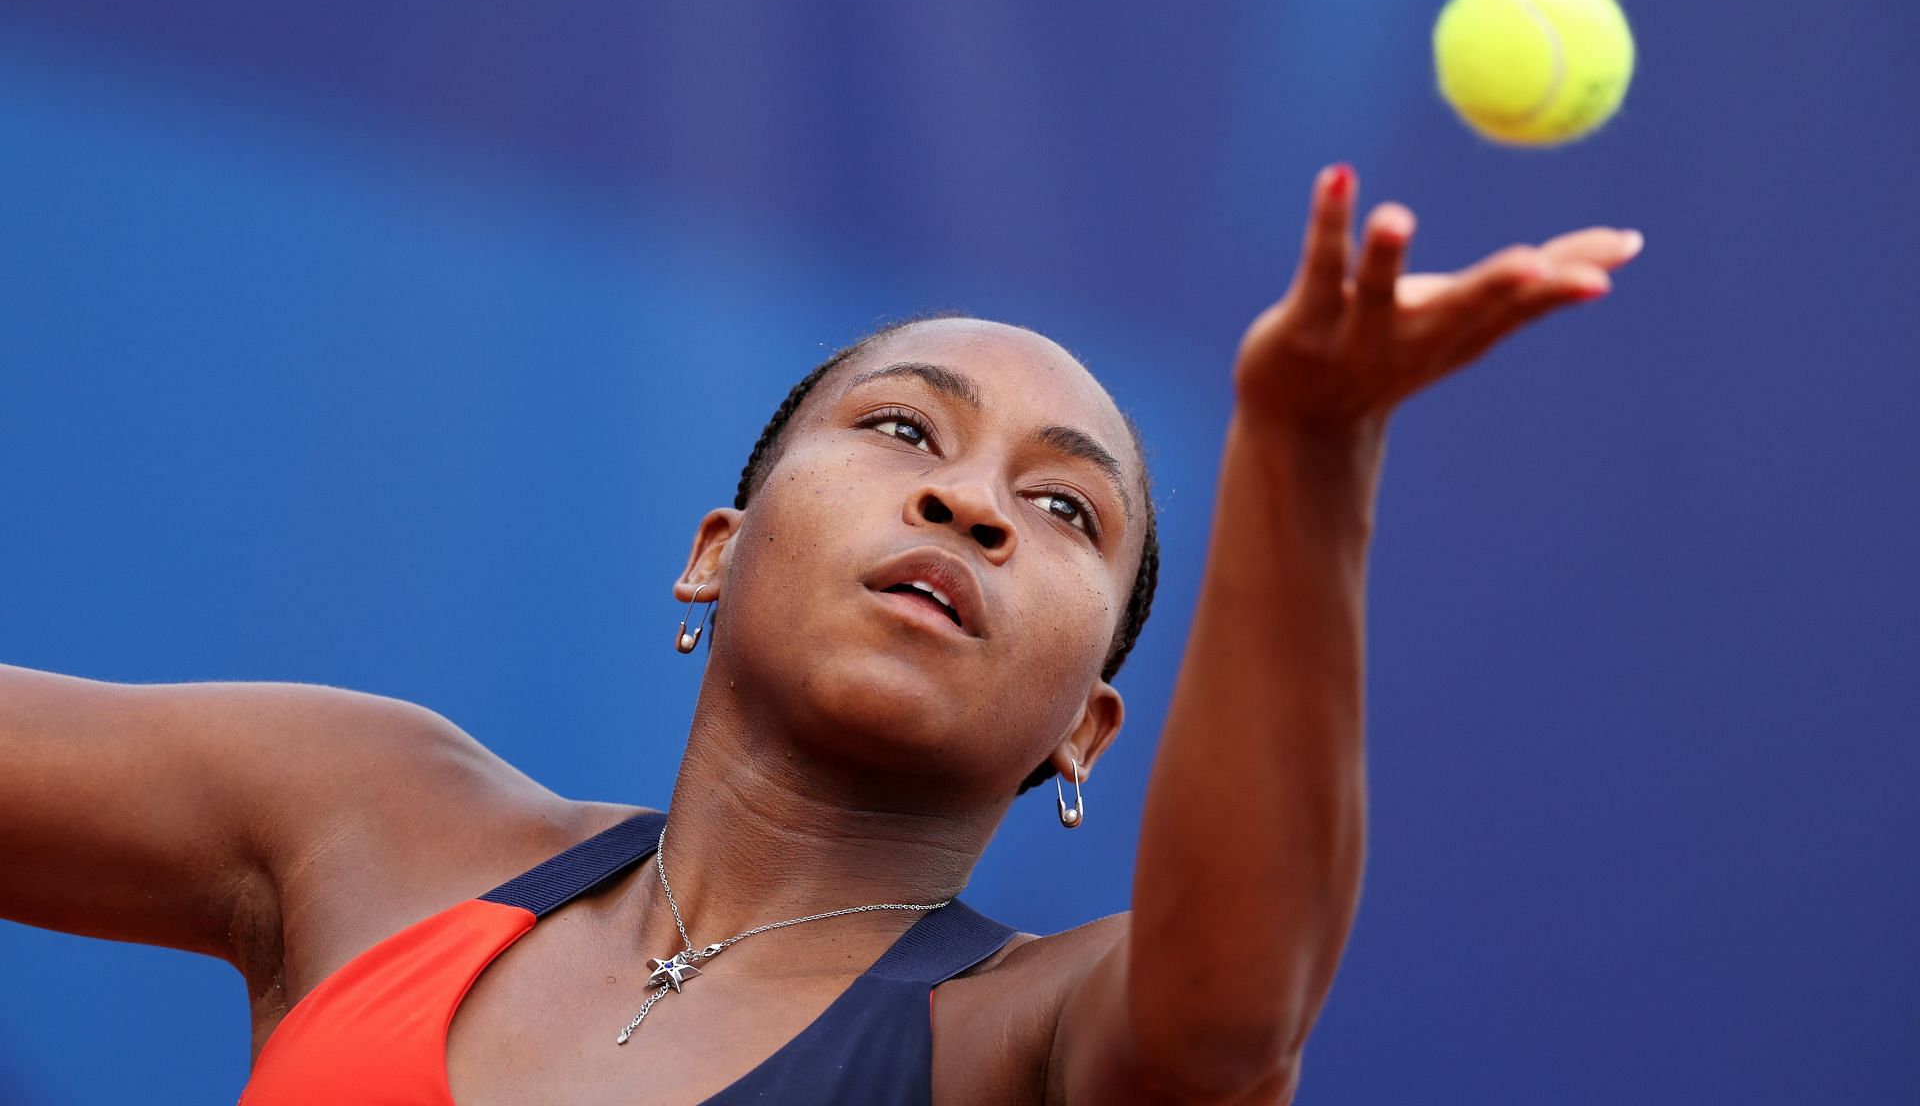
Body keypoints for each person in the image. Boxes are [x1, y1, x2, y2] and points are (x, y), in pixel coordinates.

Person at [0, 163, 1640, 1105]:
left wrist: (1307, 451)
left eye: (1067, 512)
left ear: (1088, 731)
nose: (975, 506)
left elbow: (1235, 1008)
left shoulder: (1023, 1038)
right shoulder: (367, 818)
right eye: (904, 434)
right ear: (717, 551)